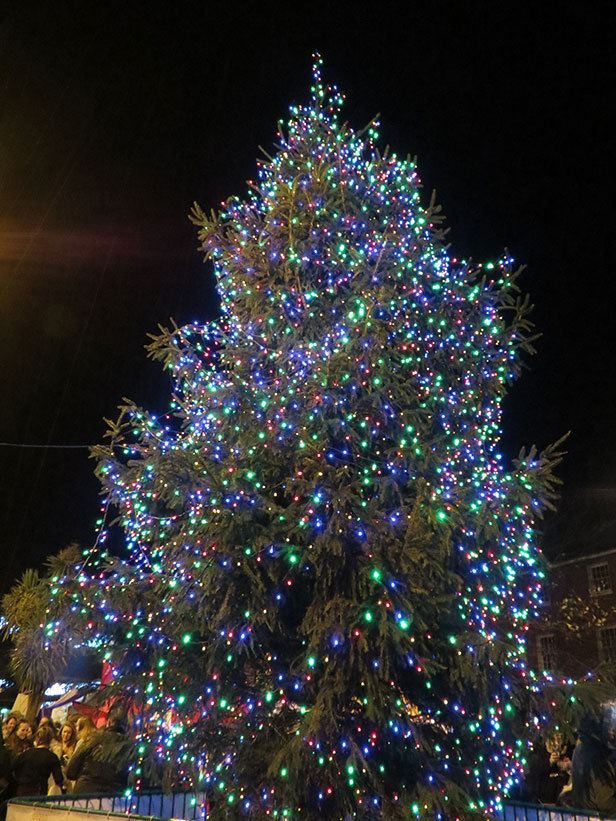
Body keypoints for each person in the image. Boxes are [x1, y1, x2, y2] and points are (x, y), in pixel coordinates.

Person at [66, 710, 131, 794]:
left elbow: (71, 771)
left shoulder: (93, 739)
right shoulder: (130, 746)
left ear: (108, 722)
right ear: (126, 726)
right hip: (114, 797)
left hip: (85, 794)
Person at [567, 714, 616, 813]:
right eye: (609, 724)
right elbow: (604, 801)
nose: (611, 730)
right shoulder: (597, 753)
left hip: (585, 813)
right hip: (597, 815)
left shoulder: (580, 748)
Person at [11, 726, 63, 797]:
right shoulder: (52, 757)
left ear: (37, 738)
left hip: (21, 790)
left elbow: (12, 767)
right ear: (50, 740)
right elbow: (58, 778)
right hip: (39, 791)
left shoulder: (26, 753)